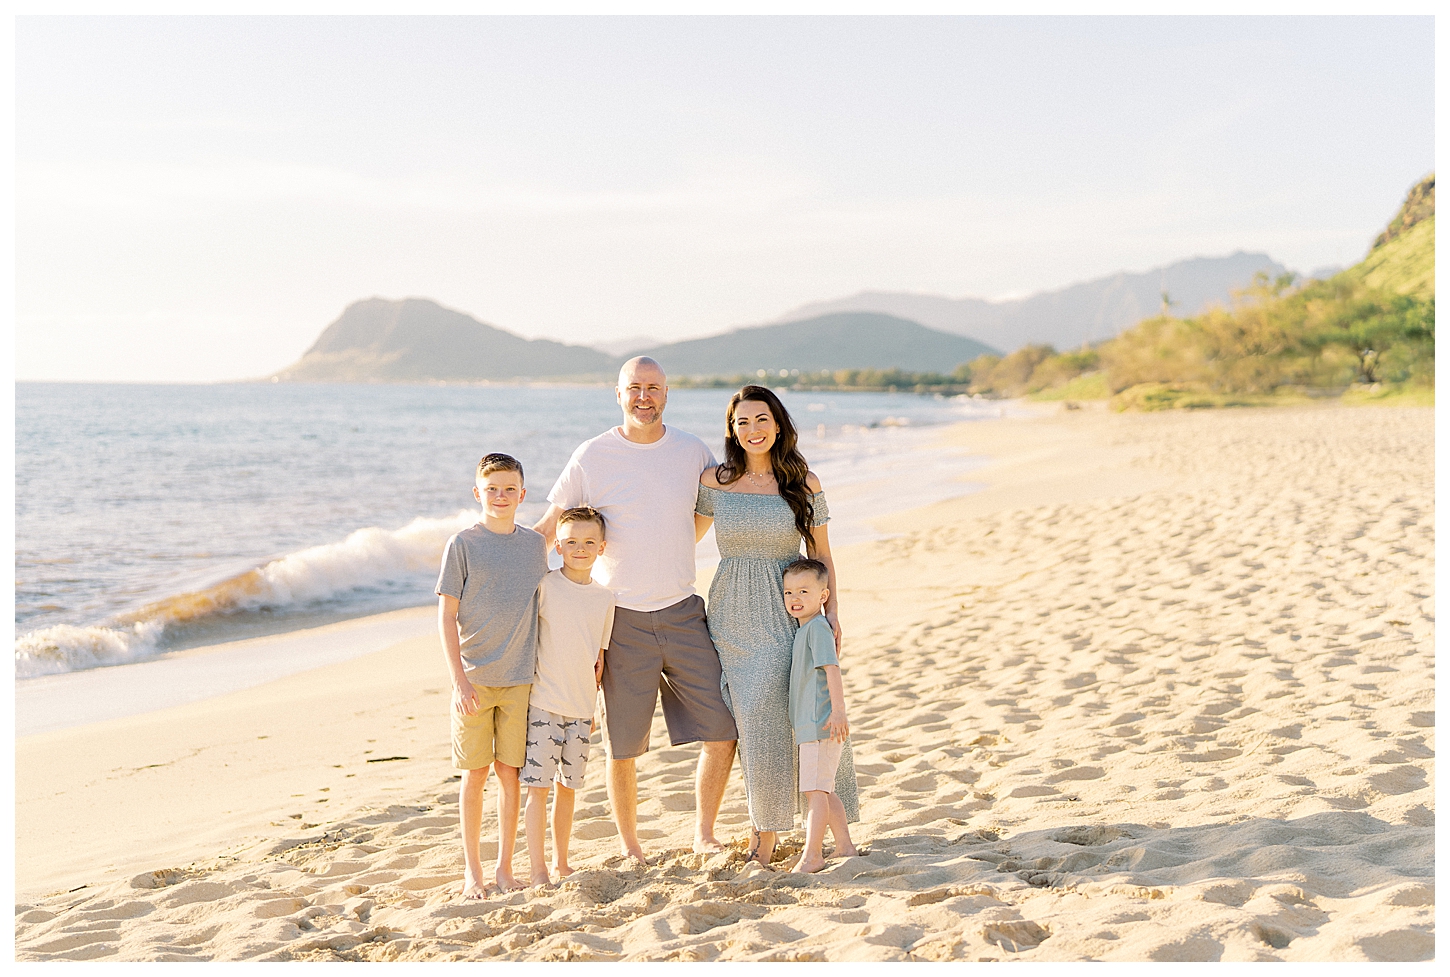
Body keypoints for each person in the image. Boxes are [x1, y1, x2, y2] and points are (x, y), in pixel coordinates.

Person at [533, 357, 739, 861]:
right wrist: (493, 574)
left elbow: (709, 509)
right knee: (623, 746)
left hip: (684, 612)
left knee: (723, 728)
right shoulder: (592, 455)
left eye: (653, 388)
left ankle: (704, 832)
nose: (643, 396)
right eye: (634, 388)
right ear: (618, 395)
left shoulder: (691, 450)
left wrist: (676, 546)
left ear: (666, 393)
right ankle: (631, 846)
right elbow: (549, 526)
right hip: (618, 621)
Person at [693, 384, 858, 867]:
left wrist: (831, 614)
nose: (752, 430)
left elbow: (822, 555)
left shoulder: (803, 482)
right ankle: (763, 831)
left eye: (761, 419)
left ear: (779, 424)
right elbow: (682, 538)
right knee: (755, 717)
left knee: (790, 714)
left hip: (791, 610)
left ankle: (788, 828)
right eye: (741, 422)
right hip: (730, 612)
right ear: (732, 430)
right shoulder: (716, 481)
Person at [437, 453, 548, 898]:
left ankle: (504, 869)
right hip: (475, 680)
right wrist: (459, 681)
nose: (500, 497)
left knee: (510, 774)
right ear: (477, 493)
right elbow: (446, 617)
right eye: (491, 489)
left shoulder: (533, 546)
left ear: (522, 494)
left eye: (509, 489)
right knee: (475, 774)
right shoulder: (462, 544)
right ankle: (473, 873)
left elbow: (546, 607)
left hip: (521, 678)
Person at [521, 507, 616, 886]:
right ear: (557, 546)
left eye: (589, 542)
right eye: (572, 542)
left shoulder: (604, 598)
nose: (580, 549)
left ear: (602, 547)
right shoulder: (545, 586)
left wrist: (592, 709)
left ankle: (561, 861)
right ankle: (538, 868)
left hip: (580, 711)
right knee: (538, 789)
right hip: (543, 704)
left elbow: (599, 659)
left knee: (568, 789)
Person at [783, 558, 858, 873]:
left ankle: (813, 854)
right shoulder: (804, 631)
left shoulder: (817, 628)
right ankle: (845, 846)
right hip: (809, 725)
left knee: (815, 791)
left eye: (804, 591)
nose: (795, 599)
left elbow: (833, 669)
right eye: (788, 593)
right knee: (824, 789)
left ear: (823, 596)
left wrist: (839, 711)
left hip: (821, 723)